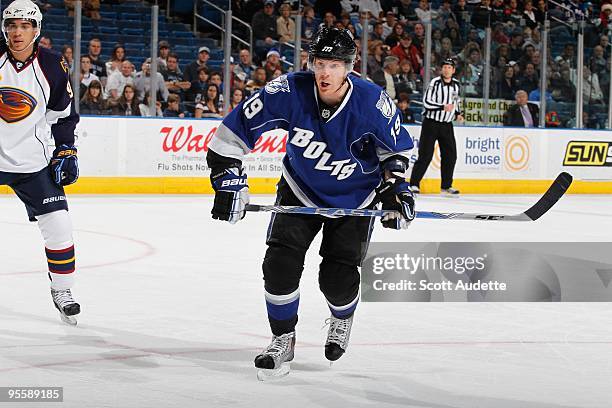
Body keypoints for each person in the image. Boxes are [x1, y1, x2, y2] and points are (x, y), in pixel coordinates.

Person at [206, 27, 414, 377]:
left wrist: (395, 188)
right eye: (319, 63)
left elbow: (397, 150)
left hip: (355, 198)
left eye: (334, 65)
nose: (324, 73)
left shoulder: (372, 102)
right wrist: (227, 176)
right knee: (279, 265)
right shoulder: (289, 90)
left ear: (350, 66)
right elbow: (235, 130)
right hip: (299, 189)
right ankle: (282, 337)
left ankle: (341, 319)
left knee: (336, 276)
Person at [0, 0, 81, 325]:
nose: (17, 32)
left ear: (37, 30)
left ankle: (62, 291)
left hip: (31, 165)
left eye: (24, 26)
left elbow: (62, 116)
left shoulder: (51, 65)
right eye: (11, 25)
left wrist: (66, 149)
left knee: (60, 227)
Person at [409, 58, 463, 196]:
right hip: (431, 123)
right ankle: (414, 183)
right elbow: (426, 102)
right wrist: (442, 107)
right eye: (444, 67)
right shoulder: (435, 83)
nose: (446, 69)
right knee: (425, 154)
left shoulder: (456, 85)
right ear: (441, 69)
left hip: (447, 124)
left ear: (453, 70)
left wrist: (458, 113)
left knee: (450, 155)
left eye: (449, 67)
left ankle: (446, 185)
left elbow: (456, 101)